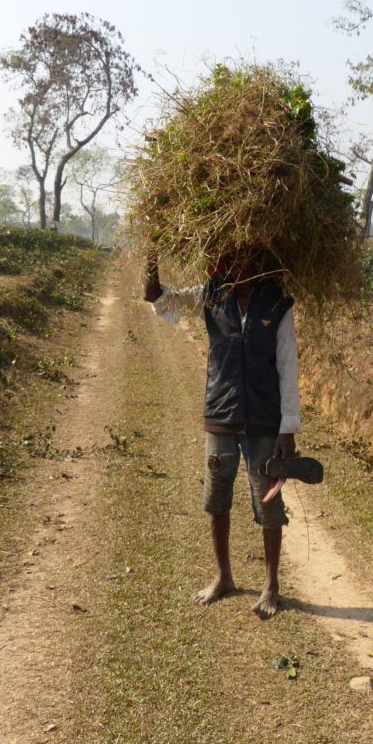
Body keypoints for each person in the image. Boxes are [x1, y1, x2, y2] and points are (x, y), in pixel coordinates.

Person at [143, 256, 301, 619]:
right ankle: (223, 576)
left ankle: (271, 584)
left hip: (264, 418)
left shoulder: (277, 303)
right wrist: (151, 265)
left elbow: (288, 366)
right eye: (232, 260)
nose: (239, 268)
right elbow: (161, 301)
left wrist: (287, 430)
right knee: (216, 497)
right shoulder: (211, 295)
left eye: (247, 261)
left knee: (269, 503)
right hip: (221, 414)